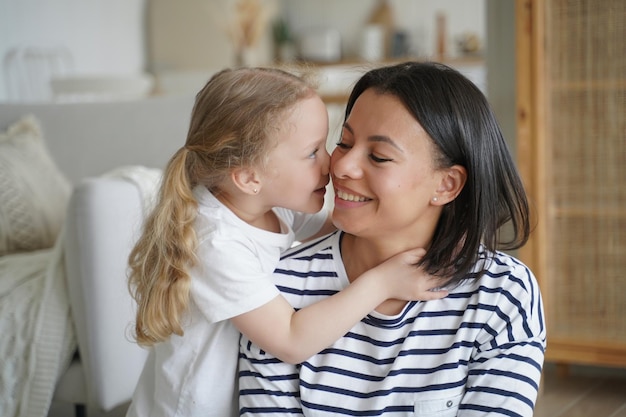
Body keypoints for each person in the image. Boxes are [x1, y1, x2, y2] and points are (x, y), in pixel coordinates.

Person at [125, 67, 447, 417]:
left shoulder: (262, 204)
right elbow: (292, 341)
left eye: (329, 144)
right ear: (249, 177)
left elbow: (343, 227)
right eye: (312, 153)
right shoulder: (216, 243)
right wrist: (383, 282)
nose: (333, 164)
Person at [238, 61, 547, 416]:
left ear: (446, 184)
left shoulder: (502, 294)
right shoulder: (277, 290)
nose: (340, 167)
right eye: (344, 142)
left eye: (379, 156)